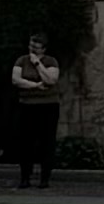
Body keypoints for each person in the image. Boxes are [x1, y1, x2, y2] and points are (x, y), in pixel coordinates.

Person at [6, 31, 62, 189]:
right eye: (31, 46)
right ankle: (25, 177)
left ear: (43, 49)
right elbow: (16, 80)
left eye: (36, 47)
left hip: (48, 105)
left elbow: (51, 79)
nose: (32, 50)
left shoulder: (51, 61)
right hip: (26, 105)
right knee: (25, 142)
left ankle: (45, 178)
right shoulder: (21, 60)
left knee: (47, 141)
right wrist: (35, 86)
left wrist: (38, 64)